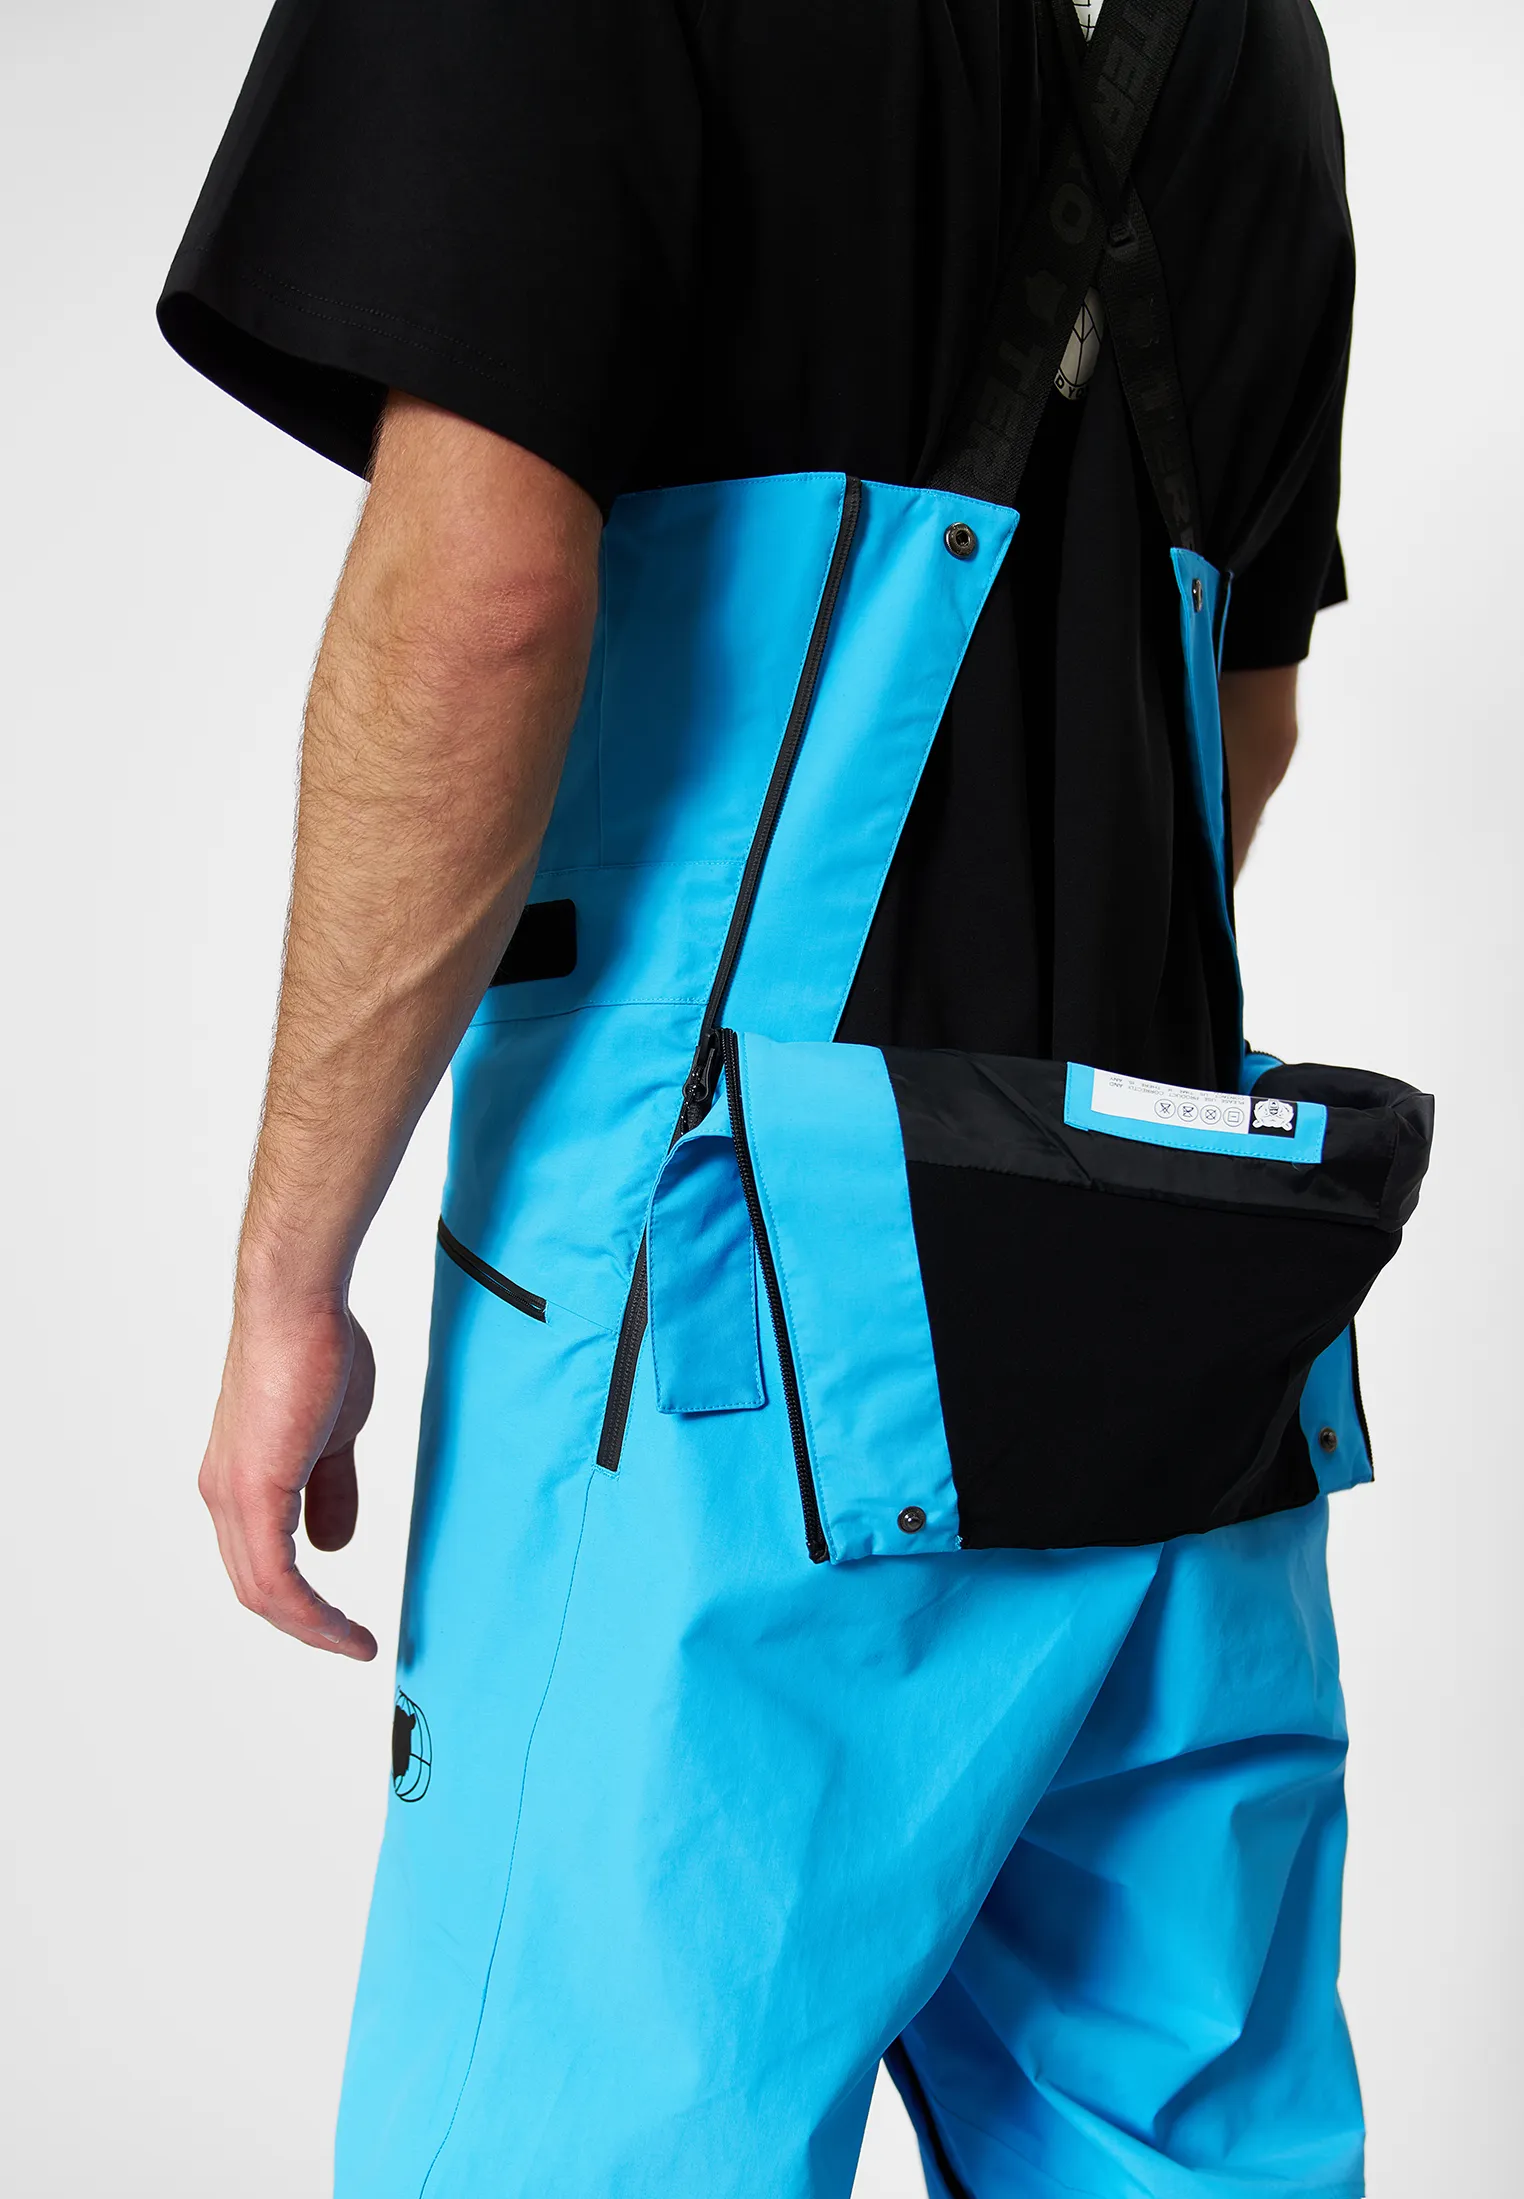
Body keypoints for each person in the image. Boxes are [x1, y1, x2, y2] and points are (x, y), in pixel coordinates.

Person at [159, 2, 1363, 2193]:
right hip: (1192, 1336)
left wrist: (287, 1274)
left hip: (729, 1346)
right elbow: (1240, 718)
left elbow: (481, 602)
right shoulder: (1263, 47)